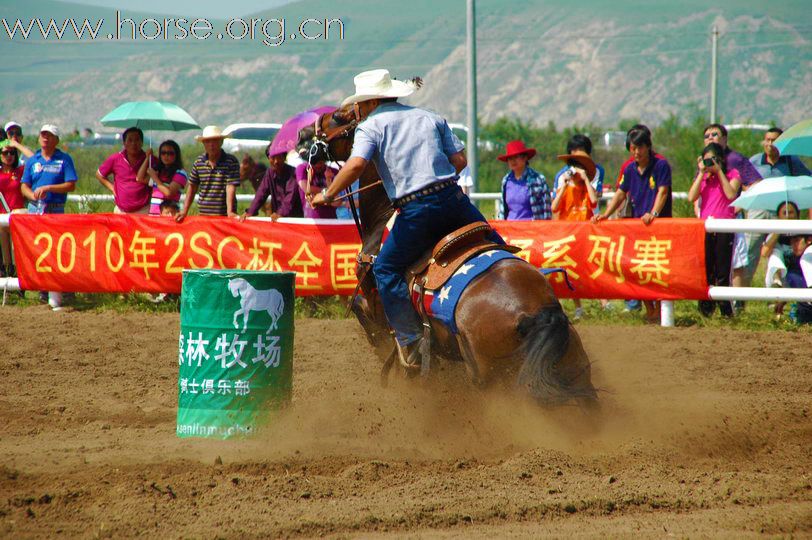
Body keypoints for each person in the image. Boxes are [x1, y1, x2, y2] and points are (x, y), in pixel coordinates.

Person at [309, 68, 503, 366]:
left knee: (385, 270)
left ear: (371, 102)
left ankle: (411, 341)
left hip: (417, 211)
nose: (358, 110)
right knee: (498, 246)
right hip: (455, 201)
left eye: (359, 104)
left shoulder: (371, 127)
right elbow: (460, 161)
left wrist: (328, 193)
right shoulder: (430, 117)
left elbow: (357, 164)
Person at [593, 126, 672, 323]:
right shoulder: (629, 169)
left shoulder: (661, 165)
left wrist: (653, 213)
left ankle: (661, 310)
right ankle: (650, 309)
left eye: (640, 147)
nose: (636, 152)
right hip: (637, 226)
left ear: (648, 147)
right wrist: (606, 214)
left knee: (657, 269)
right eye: (633, 148)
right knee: (639, 269)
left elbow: (662, 192)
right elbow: (621, 193)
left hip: (658, 226)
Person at [20, 124, 78, 310]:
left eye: (50, 135)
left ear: (56, 140)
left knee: (58, 250)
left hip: (56, 208)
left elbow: (71, 184)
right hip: (35, 209)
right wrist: (33, 196)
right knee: (38, 248)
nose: (45, 138)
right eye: (43, 134)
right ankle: (42, 288)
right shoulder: (32, 160)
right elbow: (24, 186)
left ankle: (63, 287)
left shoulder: (64, 159)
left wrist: (49, 188)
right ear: (39, 138)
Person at [687, 142, 742, 317]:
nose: (709, 164)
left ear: (720, 159)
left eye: (712, 160)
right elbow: (691, 197)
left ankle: (726, 312)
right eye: (706, 160)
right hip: (705, 229)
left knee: (723, 272)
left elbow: (731, 194)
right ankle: (706, 311)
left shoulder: (733, 174)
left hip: (725, 228)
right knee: (706, 271)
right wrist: (701, 172)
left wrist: (719, 172)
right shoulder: (703, 178)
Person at [551, 149, 598, 320]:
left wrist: (585, 180)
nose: (574, 171)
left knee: (588, 270)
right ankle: (577, 307)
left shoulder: (587, 187)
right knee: (570, 272)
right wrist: (563, 186)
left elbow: (593, 202)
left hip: (585, 235)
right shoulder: (565, 186)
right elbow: (554, 207)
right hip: (568, 235)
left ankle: (600, 302)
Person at [177, 125, 241, 222]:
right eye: (208, 141)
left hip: (223, 216)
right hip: (204, 216)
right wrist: (184, 211)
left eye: (215, 141)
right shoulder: (199, 162)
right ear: (203, 143)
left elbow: (230, 186)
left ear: (221, 142)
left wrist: (230, 212)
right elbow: (192, 186)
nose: (211, 145)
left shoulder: (231, 161)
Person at [750, 127, 812, 218]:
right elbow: (743, 183)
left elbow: (807, 180)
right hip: (758, 209)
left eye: (774, 141)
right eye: (768, 140)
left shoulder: (791, 161)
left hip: (781, 211)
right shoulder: (755, 161)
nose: (770, 144)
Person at [96, 127, 153, 214]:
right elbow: (99, 175)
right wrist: (112, 188)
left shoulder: (150, 160)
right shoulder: (115, 159)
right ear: (124, 143)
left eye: (137, 140)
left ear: (142, 142)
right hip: (121, 211)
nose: (134, 143)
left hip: (144, 210)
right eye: (130, 140)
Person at [241, 144, 303, 220]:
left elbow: (290, 198)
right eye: (273, 157)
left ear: (284, 157)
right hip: (278, 218)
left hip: (294, 219)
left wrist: (280, 213)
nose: (276, 161)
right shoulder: (270, 173)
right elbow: (261, 193)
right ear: (268, 158)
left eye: (279, 157)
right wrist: (250, 212)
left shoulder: (293, 173)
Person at [497, 140, 551, 220]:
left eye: (516, 157)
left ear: (525, 158)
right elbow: (502, 210)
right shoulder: (506, 180)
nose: (513, 161)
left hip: (531, 229)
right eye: (510, 158)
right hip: (510, 229)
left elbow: (547, 209)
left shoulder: (538, 179)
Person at [552, 134, 604, 212]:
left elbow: (596, 197)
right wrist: (565, 185)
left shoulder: (597, 171)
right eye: (574, 150)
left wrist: (585, 179)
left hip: (590, 215)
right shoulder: (562, 176)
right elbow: (554, 207)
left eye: (581, 150)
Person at [0, 141, 26, 280]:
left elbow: (33, 158)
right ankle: (8, 288)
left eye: (12, 152)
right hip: (1, 219)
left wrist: (17, 145)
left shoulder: (20, 171)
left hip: (17, 216)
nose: (9, 155)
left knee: (16, 252)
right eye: (5, 153)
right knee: (5, 255)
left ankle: (19, 286)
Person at [141, 140, 187, 216]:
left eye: (170, 153)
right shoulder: (159, 171)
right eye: (163, 153)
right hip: (153, 214)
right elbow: (140, 178)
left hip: (168, 215)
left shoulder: (180, 173)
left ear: (176, 155)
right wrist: (147, 158)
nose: (166, 156)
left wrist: (154, 177)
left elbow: (169, 193)